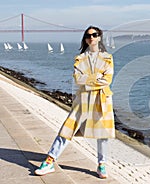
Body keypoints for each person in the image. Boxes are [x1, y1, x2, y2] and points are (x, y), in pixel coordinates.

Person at [34, 26, 115, 179]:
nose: (91, 37)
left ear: (99, 37)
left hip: (102, 98)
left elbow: (107, 80)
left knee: (102, 134)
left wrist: (89, 79)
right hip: (83, 98)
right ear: (85, 39)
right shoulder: (80, 59)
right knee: (67, 129)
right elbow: (79, 79)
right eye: (88, 35)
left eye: (94, 34)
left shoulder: (108, 58)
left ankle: (102, 164)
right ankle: (49, 161)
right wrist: (96, 79)